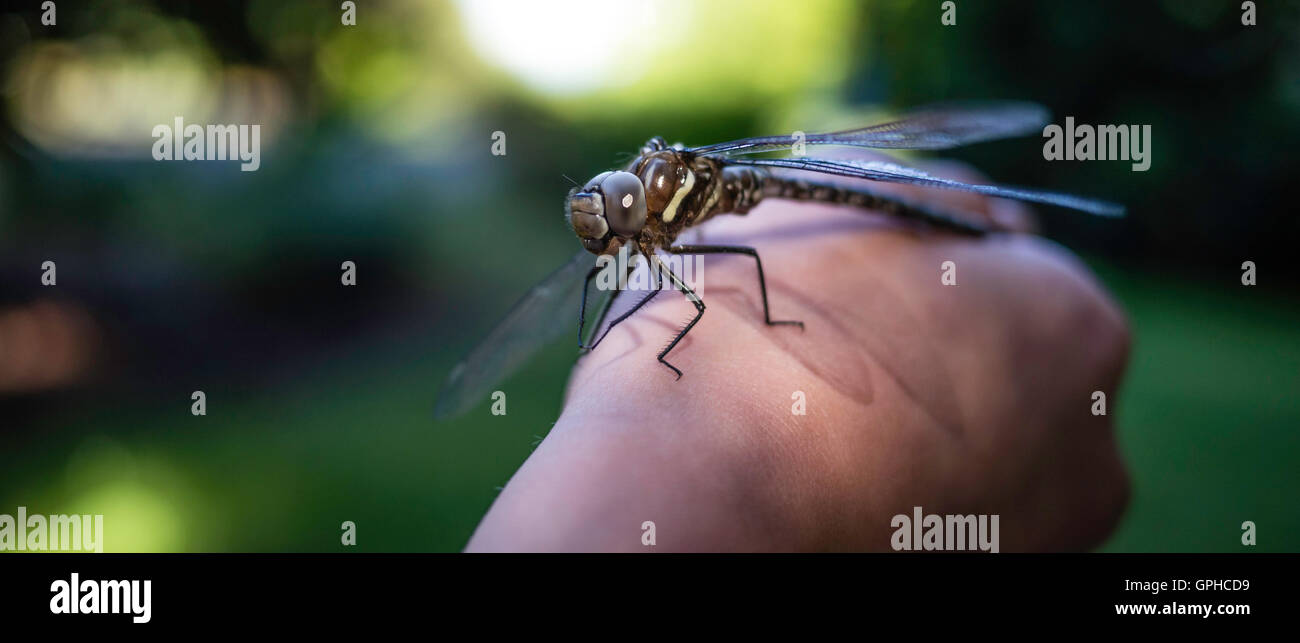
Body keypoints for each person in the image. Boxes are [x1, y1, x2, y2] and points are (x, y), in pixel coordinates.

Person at [466, 161, 1131, 552]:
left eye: (613, 215)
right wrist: (639, 427)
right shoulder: (641, 216)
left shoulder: (672, 200)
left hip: (846, 204)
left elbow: (712, 288)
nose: (606, 229)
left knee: (722, 275)